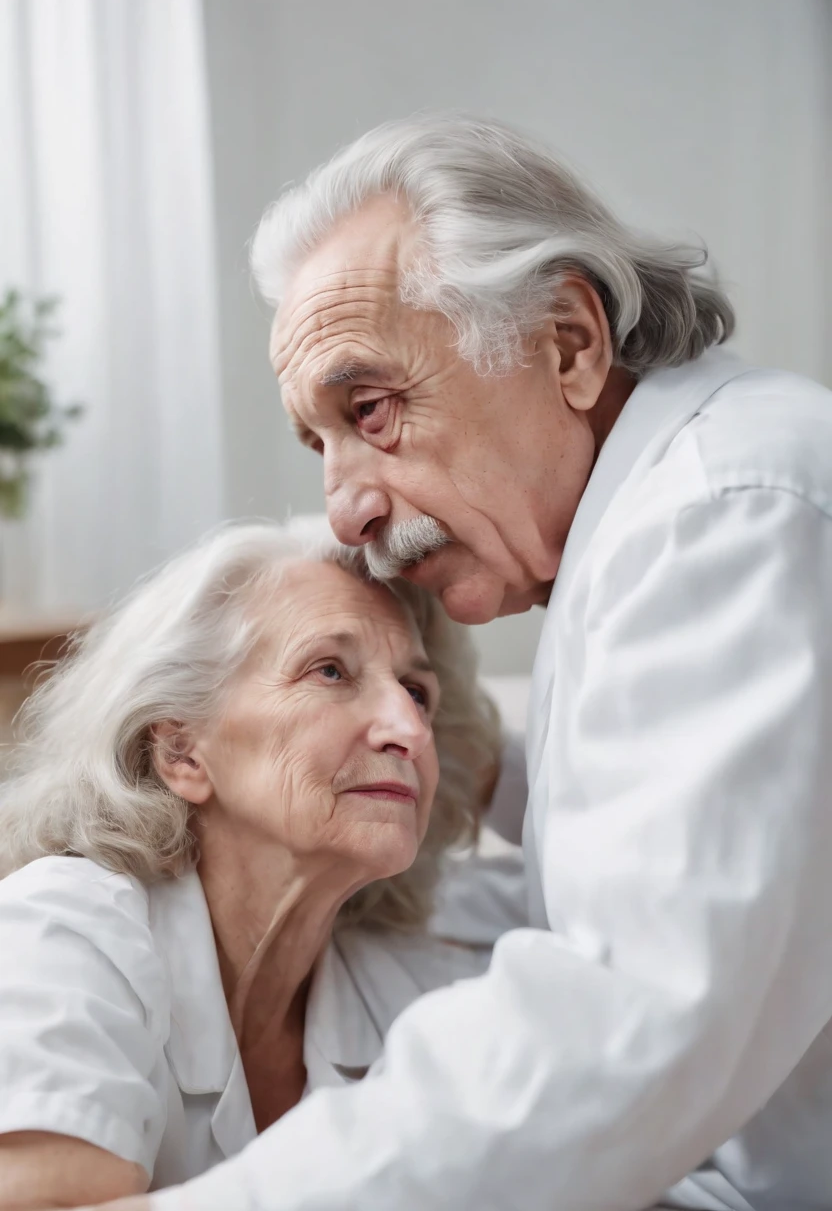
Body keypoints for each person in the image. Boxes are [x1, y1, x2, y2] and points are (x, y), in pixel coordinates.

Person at [81, 113, 832, 1211]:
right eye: (319, 442)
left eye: (370, 408)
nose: (343, 510)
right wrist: (479, 768)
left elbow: (625, 1013)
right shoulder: (648, 526)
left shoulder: (720, 514)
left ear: (567, 342)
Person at [0, 518, 525, 1209]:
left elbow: (640, 900)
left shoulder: (427, 974)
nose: (409, 728)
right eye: (330, 670)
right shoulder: (59, 931)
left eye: (418, 693)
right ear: (184, 753)